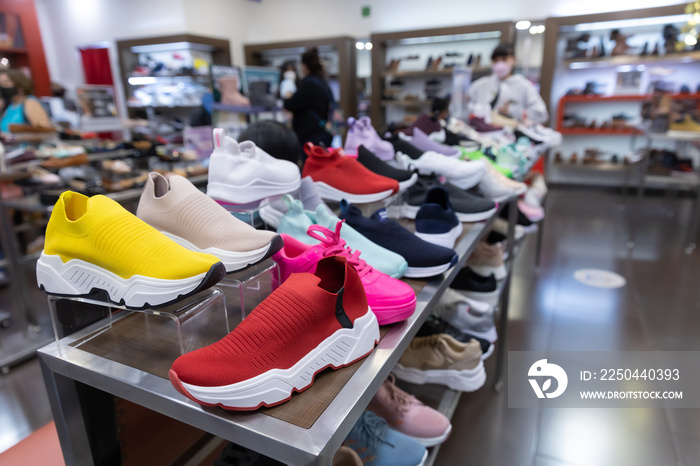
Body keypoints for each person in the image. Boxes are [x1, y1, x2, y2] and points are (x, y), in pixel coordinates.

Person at [468, 43, 548, 124]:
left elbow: (541, 114)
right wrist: (477, 109)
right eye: (495, 60)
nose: (499, 64)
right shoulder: (480, 84)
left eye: (504, 59)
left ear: (514, 60)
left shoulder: (524, 86)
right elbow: (462, 105)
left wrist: (514, 111)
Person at [283, 47, 333, 149]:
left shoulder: (308, 84)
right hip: (324, 131)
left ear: (305, 66)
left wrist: (288, 95)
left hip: (311, 135)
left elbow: (290, 104)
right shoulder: (322, 81)